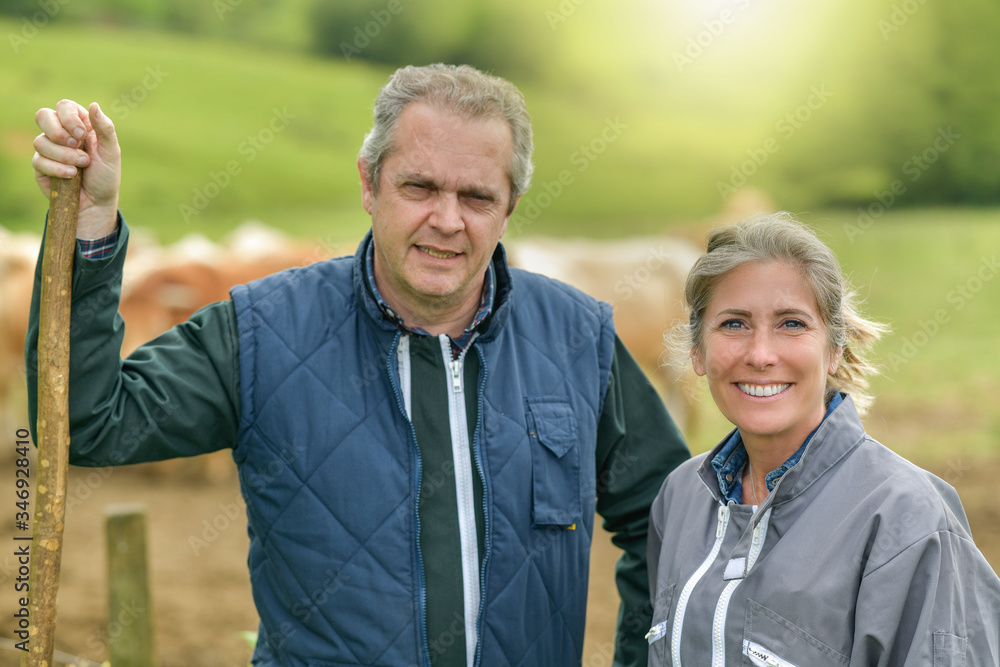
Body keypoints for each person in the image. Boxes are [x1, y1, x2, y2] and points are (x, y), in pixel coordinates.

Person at [27, 64, 689, 666]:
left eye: (477, 197)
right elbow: (88, 421)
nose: (447, 219)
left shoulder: (578, 338)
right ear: (370, 184)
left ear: (510, 204)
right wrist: (89, 230)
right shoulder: (263, 331)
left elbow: (673, 527)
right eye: (420, 186)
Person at [646, 213, 1000, 666]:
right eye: (734, 324)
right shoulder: (679, 497)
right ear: (698, 350)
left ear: (834, 348)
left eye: (791, 324)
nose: (760, 354)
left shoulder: (909, 518)